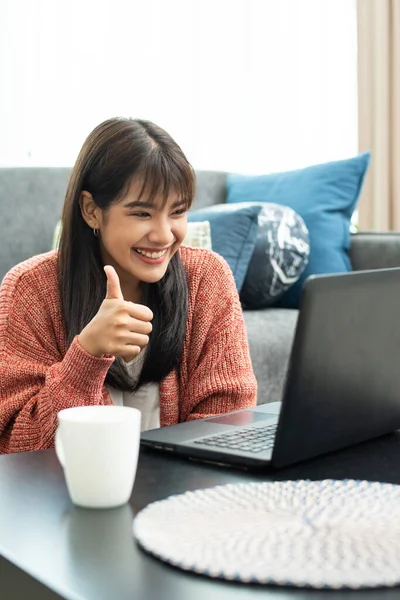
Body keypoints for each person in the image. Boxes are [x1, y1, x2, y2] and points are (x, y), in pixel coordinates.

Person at [0, 117, 257, 454]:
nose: (164, 235)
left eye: (177, 211)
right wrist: (86, 355)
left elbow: (230, 423)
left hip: (181, 495)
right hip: (71, 497)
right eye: (142, 214)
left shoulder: (207, 278)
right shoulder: (30, 289)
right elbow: (16, 449)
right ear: (92, 211)